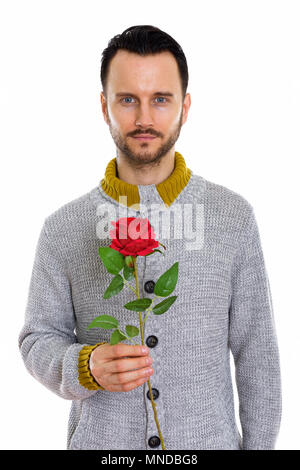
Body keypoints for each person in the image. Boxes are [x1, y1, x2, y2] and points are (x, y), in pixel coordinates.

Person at [18, 24, 282, 450]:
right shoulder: (64, 228)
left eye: (161, 99)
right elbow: (37, 338)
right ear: (104, 107)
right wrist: (84, 365)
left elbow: (258, 356)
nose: (143, 118)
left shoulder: (232, 218)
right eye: (127, 100)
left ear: (185, 106)